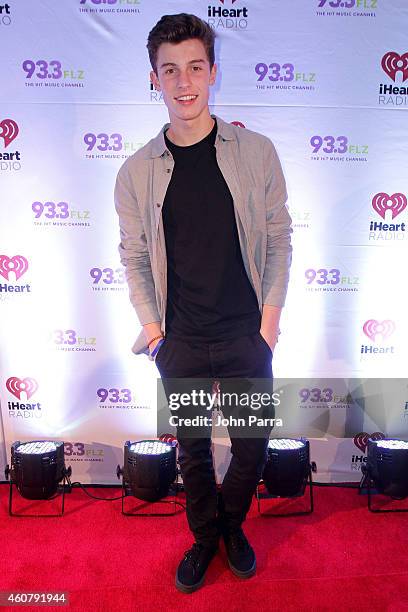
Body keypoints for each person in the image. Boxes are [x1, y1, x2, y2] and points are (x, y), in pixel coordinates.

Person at [114, 13, 292, 594]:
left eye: (195, 67)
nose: (183, 81)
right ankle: (203, 536)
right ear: (154, 80)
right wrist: (155, 332)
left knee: (251, 446)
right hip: (180, 338)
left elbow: (280, 237)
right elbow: (135, 257)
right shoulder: (136, 173)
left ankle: (230, 527)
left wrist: (268, 324)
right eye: (170, 70)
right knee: (192, 453)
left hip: (246, 332)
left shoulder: (257, 152)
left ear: (213, 72)